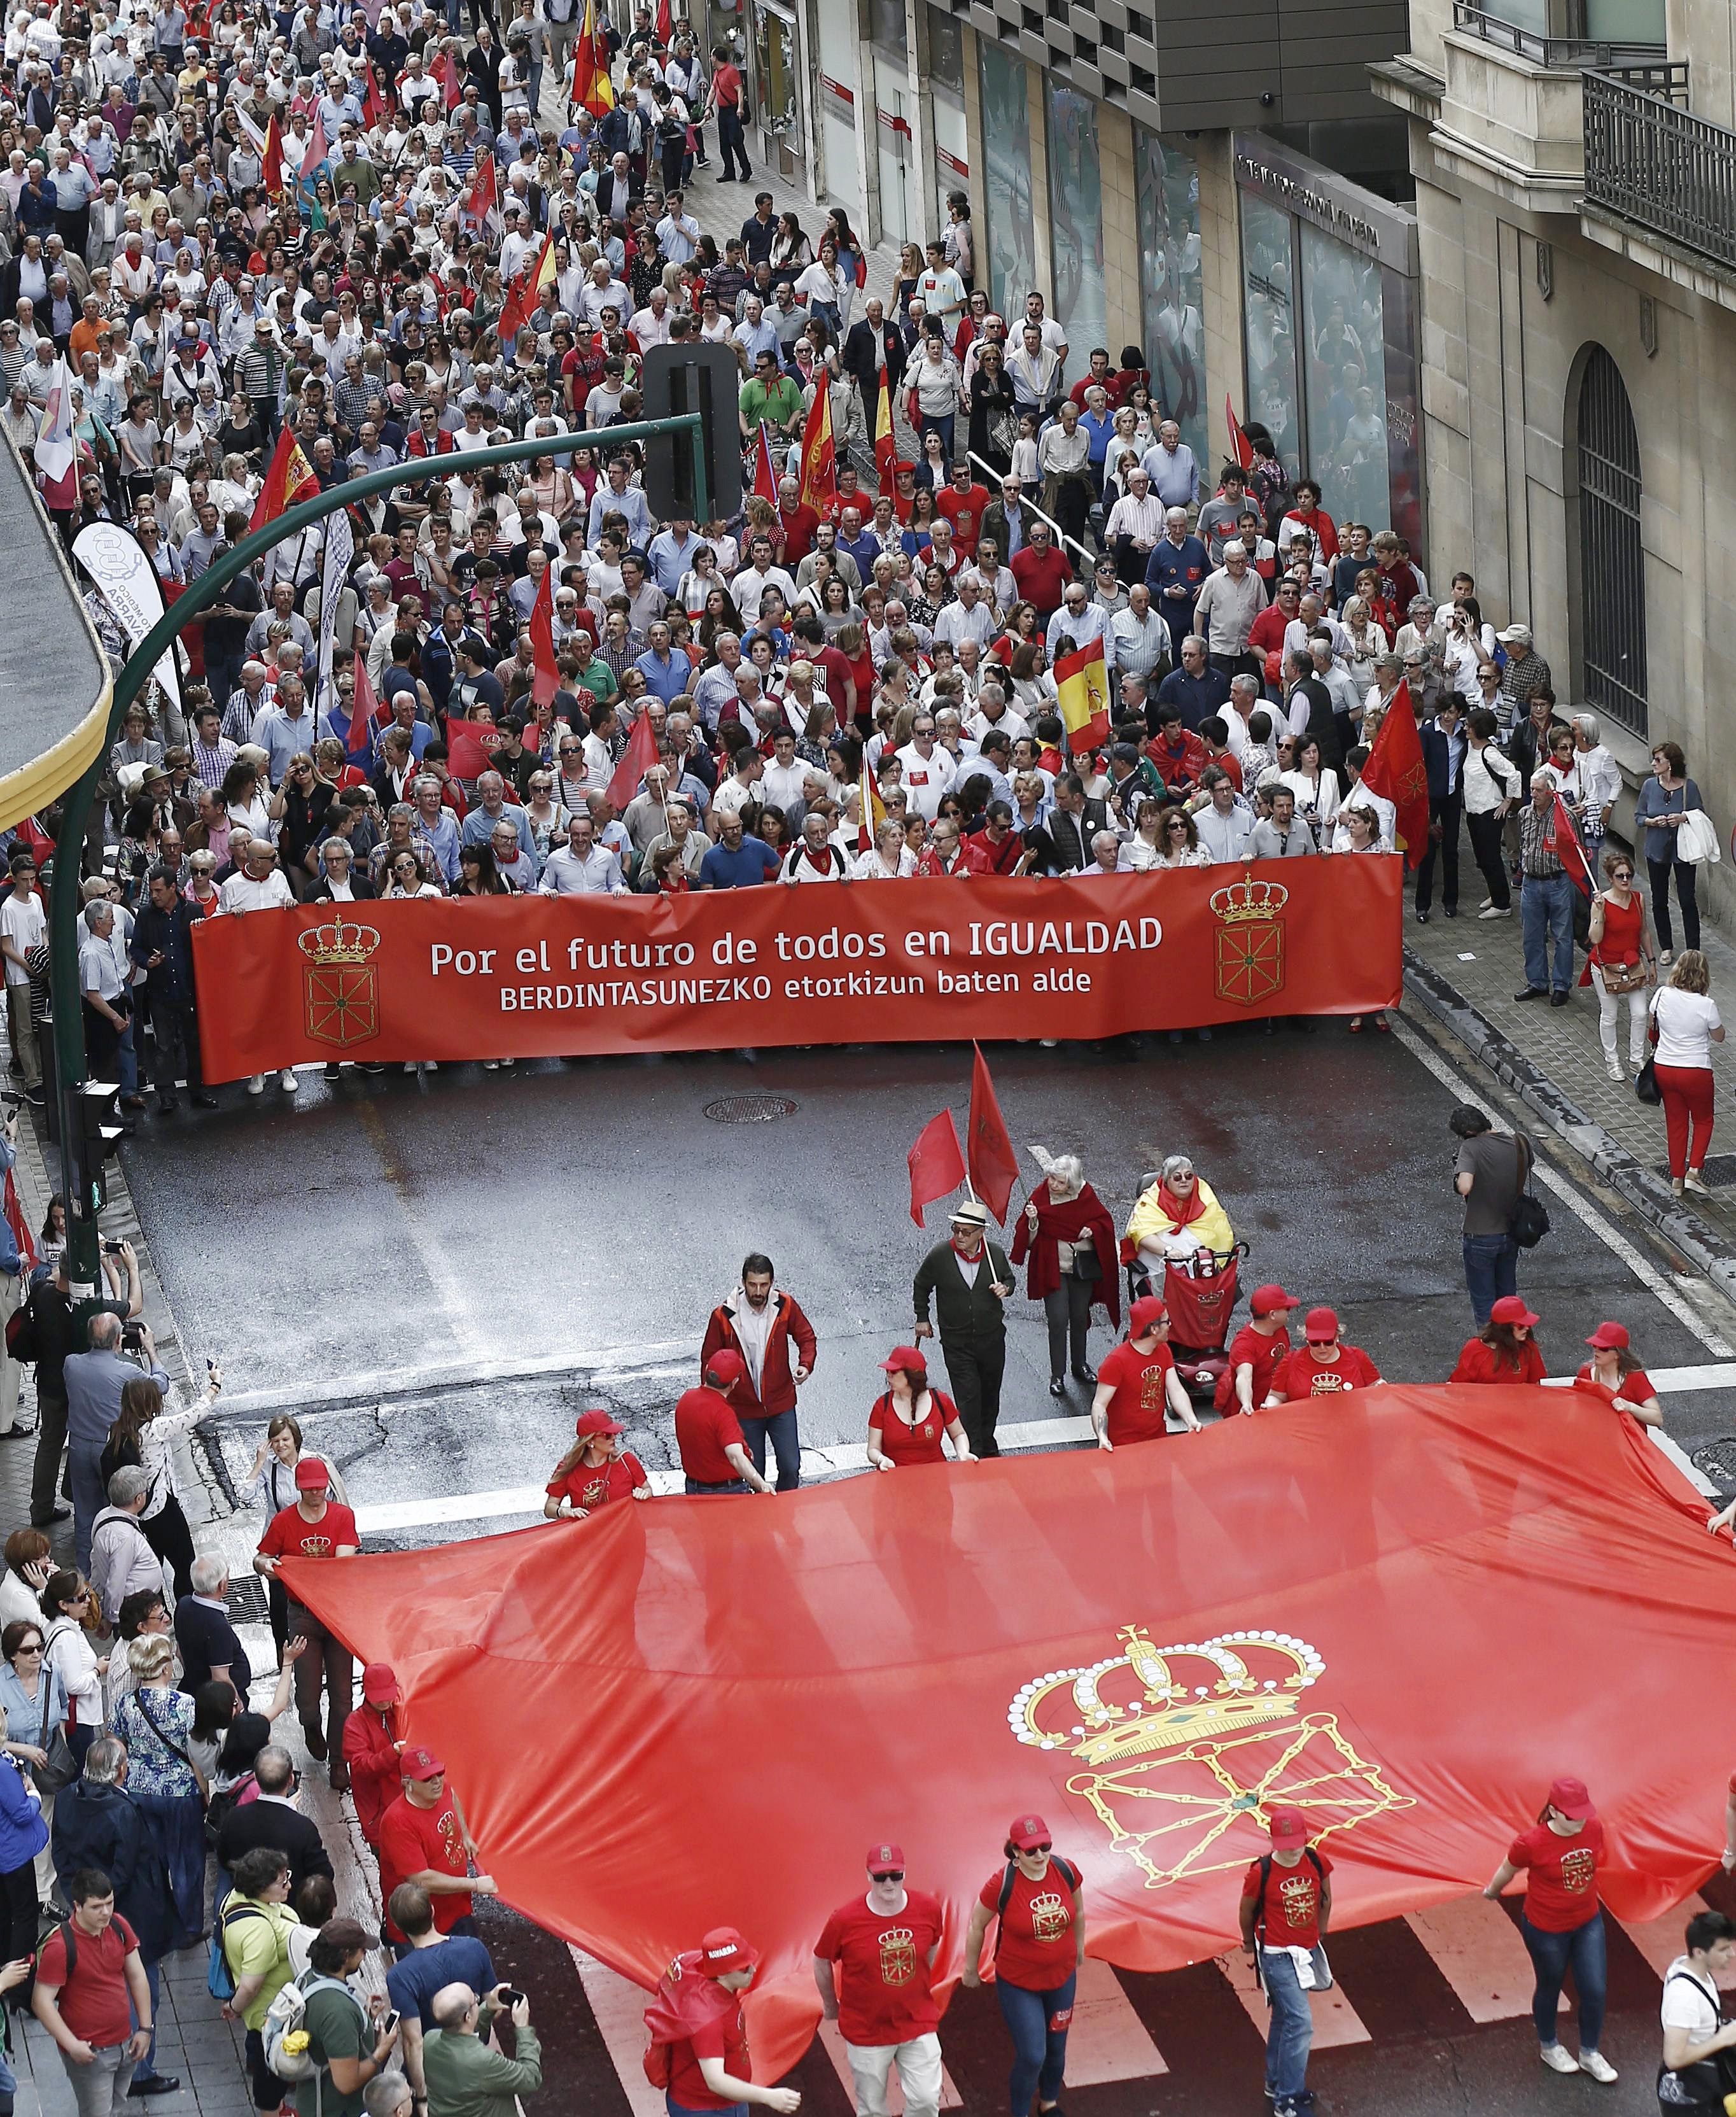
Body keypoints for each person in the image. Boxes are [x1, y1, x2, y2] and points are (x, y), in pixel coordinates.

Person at [1482, 1776, 1615, 2083]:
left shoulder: (1594, 1828)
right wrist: (1493, 1891)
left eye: (1584, 1813)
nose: (1580, 1821)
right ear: (1554, 1812)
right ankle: (1549, 2046)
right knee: (1550, 1985)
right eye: (1573, 1816)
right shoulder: (1530, 1842)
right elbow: (1507, 1868)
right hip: (1546, 1928)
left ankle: (1590, 2052)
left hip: (1587, 1921)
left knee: (1595, 1988)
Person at [960, 1816, 1084, 2117]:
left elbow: (1078, 1911)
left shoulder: (1065, 1870)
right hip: (1020, 1985)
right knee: (1032, 2055)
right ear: (1015, 1852)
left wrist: (1079, 1948)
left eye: (1045, 1846)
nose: (1040, 1855)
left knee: (1056, 2048)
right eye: (1030, 1851)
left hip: (1062, 1978)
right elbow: (977, 1924)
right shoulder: (1002, 1884)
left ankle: (1049, 2103)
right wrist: (971, 1969)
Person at [814, 1843, 946, 2117]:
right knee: (873, 2109)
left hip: (917, 2021)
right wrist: (830, 2004)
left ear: (905, 1873)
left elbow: (931, 1945)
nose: (889, 1883)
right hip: (867, 2031)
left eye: (895, 1876)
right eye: (880, 1876)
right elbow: (821, 1959)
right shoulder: (845, 1920)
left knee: (926, 2100)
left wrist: (919, 1984)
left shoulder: (928, 1908)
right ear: (868, 1875)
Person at [252, 1459, 359, 1787]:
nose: (316, 1493)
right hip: (302, 1617)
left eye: (320, 1486)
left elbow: (345, 1559)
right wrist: (266, 1566)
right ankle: (310, 1723)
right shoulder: (284, 1522)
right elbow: (259, 1557)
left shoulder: (342, 1517)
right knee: (308, 1694)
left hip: (337, 1615)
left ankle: (340, 1761)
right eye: (309, 1487)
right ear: (298, 1488)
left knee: (343, 1695)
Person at [31, 1866, 156, 2116]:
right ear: (77, 1906)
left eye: (109, 1903)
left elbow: (137, 1974)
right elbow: (41, 2002)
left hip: (126, 2042)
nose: (106, 1912)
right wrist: (72, 2045)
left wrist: (145, 2028)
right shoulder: (60, 1946)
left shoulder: (118, 1926)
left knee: (118, 2108)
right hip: (91, 2052)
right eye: (97, 1907)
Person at [643, 1925, 799, 2117]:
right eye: (744, 1969)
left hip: (719, 2103)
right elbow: (716, 2081)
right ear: (723, 1974)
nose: (753, 1970)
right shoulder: (708, 2020)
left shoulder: (698, 1966)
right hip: (708, 2110)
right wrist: (768, 2097)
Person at [1238, 1808, 1333, 2117]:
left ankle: (1276, 2082)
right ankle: (1287, 2098)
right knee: (1300, 2022)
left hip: (1305, 1949)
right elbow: (1246, 1910)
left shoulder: (1317, 1861)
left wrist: (1321, 1931)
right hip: (1277, 1955)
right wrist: (1247, 1942)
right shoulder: (1260, 1872)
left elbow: (1326, 1897)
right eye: (1285, 1844)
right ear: (1272, 1841)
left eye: (1296, 1843)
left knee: (1284, 2017)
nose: (1292, 1850)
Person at [699, 1255, 818, 1495]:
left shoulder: (785, 1306)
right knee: (755, 1472)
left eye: (764, 1285)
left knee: (790, 1466)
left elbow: (806, 1337)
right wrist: (716, 1404)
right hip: (743, 1410)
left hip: (781, 1404)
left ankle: (784, 1506)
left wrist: (805, 1365)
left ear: (772, 1282)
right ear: (743, 1282)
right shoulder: (723, 1316)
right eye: (752, 1285)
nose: (758, 1291)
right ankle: (761, 1518)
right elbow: (708, 1362)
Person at [64, 1311, 169, 1575]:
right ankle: (118, 1570)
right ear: (117, 1341)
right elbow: (161, 1385)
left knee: (85, 1514)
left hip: (78, 1448)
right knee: (120, 1512)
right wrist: (151, 1351)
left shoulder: (71, 1364)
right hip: (112, 1451)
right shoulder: (128, 1372)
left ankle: (86, 1574)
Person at [1009, 1150, 1119, 1397]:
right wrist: (1033, 1221)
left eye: (1061, 1182)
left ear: (1073, 1183)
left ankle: (1079, 1365)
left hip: (1081, 1268)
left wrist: (1092, 1230)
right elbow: (1028, 1238)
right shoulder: (1040, 1196)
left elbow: (1104, 1222)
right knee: (1058, 1320)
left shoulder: (1086, 1196)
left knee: (1080, 1318)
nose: (1055, 1186)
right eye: (1052, 1180)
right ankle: (1057, 1374)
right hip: (1053, 1267)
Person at [385, 1883, 503, 2109]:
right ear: (432, 1910)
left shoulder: (400, 1976)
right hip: (474, 2062)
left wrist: (422, 2098)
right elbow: (493, 2008)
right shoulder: (474, 1948)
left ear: (399, 1926)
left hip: (435, 2075)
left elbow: (414, 2042)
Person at [913, 1200, 1014, 1460]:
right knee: (968, 1396)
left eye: (966, 1232)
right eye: (956, 1230)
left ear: (981, 1233)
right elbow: (922, 1285)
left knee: (990, 1394)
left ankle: (987, 1440)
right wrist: (922, 1318)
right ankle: (974, 1449)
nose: (959, 1236)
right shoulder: (940, 1256)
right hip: (956, 1342)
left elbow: (1009, 1279)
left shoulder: (995, 1255)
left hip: (991, 1340)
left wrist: (1006, 1288)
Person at [377, 1748, 495, 1949]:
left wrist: (465, 1834)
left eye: (439, 1774)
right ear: (408, 1784)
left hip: (457, 1910)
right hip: (420, 1926)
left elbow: (452, 1796)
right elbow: (421, 1880)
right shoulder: (397, 1822)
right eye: (427, 1779)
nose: (437, 1782)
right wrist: (474, 1885)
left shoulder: (442, 1789)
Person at [218, 1845, 302, 2114]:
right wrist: (234, 2007)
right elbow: (251, 1985)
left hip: (271, 2013)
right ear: (260, 1888)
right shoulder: (258, 1931)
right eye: (282, 1881)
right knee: (271, 2076)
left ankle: (278, 2107)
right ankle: (272, 2110)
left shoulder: (238, 1899)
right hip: (271, 2017)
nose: (289, 1885)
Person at [290, 1917, 402, 2117]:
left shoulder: (309, 1976)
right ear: (345, 1956)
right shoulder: (338, 2011)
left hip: (312, 2098)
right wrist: (382, 2050)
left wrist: (365, 2017)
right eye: (361, 1949)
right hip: (336, 2109)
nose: (365, 1954)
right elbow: (347, 2082)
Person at [214, 1745, 335, 1898]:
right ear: (291, 1780)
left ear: (257, 1779)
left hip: (248, 1905)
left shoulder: (234, 1817)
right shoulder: (303, 1828)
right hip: (291, 1912)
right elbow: (323, 1875)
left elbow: (224, 1859)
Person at [1650, 952, 1723, 1199]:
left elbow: (1653, 1022)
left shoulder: (1661, 994)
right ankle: (1694, 1171)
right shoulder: (1707, 1005)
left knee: (1676, 1122)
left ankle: (1677, 1179)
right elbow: (1719, 1036)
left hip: (1665, 1068)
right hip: (1695, 1071)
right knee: (1703, 1120)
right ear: (1703, 975)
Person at [1450, 1104, 1530, 1326]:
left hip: (1481, 1236)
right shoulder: (1517, 1142)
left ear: (1466, 1134)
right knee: (1507, 1298)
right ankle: (1513, 1345)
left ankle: (1492, 1350)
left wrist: (1457, 1179)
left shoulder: (1471, 1148)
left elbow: (1465, 1187)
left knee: (1485, 1301)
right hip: (1512, 1232)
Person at [1585, 848, 1656, 1083]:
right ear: (1610, 878)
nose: (1626, 880)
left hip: (1633, 964)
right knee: (1610, 1015)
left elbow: (1644, 931)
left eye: (1629, 875)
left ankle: (1637, 1058)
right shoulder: (1601, 902)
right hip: (1606, 967)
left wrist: (1652, 961)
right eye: (1620, 876)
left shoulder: (1639, 899)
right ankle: (1612, 1060)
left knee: (1639, 1013)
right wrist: (1600, 913)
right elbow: (1595, 938)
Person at [1090, 1296, 1202, 1444]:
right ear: (1154, 1329)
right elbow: (1099, 1404)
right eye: (1167, 1321)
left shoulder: (1163, 1350)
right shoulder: (1116, 1362)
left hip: (1157, 1440)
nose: (1170, 1325)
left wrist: (1191, 1420)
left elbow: (1176, 1390)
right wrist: (1102, 1437)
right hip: (1125, 1446)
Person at [423, 1981, 542, 2117]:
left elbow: (462, 2035)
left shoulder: (429, 2040)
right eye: (475, 1999)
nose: (477, 2000)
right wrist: (523, 2029)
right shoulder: (483, 2061)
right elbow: (531, 2078)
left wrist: (488, 2008)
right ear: (468, 2016)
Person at [1657, 1908, 1736, 2111]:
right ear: (1700, 1952)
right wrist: (1723, 2039)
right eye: (1723, 1949)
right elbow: (1674, 2058)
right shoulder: (1685, 1997)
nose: (1732, 1954)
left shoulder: (1687, 1966)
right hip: (1695, 2091)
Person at [1634, 740, 1703, 962]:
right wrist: (1652, 822)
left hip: (1682, 850)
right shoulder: (1649, 786)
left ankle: (1693, 949)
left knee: (1687, 899)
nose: (1654, 764)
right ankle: (1666, 947)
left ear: (1670, 764)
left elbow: (1700, 816)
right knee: (1659, 899)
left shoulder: (1688, 787)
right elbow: (1639, 817)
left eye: (1658, 760)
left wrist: (1682, 818)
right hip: (1656, 849)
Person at [674, 1352, 775, 1496]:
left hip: (694, 1487)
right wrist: (759, 1483)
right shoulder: (723, 1413)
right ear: (734, 1382)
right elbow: (735, 1456)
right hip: (726, 1491)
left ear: (707, 1369)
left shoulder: (687, 1398)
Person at [865, 1349, 974, 1469]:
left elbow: (958, 1434)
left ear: (911, 1375)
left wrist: (963, 1453)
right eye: (887, 1371)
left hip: (936, 1477)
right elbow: (873, 1448)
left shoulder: (941, 1401)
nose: (888, 1375)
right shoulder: (882, 1406)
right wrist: (881, 1459)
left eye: (894, 1371)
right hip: (895, 1480)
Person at [1124, 1157, 1234, 1267]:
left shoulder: (1203, 1192)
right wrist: (1168, 1250)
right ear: (1166, 1180)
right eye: (1177, 1177)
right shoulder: (1151, 1199)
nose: (1184, 1180)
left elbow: (1220, 1228)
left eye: (1189, 1176)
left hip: (1202, 1264)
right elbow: (1140, 1233)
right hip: (1161, 1264)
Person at [543, 1411, 650, 1521]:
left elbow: (647, 1489)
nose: (613, 1438)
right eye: (607, 1435)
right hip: (589, 1535)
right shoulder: (568, 1466)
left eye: (614, 1433)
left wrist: (644, 1494)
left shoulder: (626, 1460)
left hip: (625, 1532)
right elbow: (549, 1508)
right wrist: (564, 1511)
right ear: (590, 1442)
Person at [341, 1666, 404, 1850]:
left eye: (388, 1694)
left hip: (412, 1809)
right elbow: (362, 1766)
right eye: (379, 1696)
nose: (385, 1700)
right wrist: (393, 1753)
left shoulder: (402, 1712)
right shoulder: (355, 1724)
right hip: (380, 1817)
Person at [1215, 1284, 1302, 1415]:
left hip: (1277, 1405)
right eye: (1287, 1308)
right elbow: (1244, 1376)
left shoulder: (1279, 1329)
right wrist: (1246, 1404)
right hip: (1255, 1412)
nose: (1289, 1311)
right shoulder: (1244, 1344)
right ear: (1273, 1315)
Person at [1267, 1309, 1382, 1400]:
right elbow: (1276, 1397)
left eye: (1328, 1342)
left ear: (1337, 1337)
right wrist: (1270, 1409)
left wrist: (1383, 1389)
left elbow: (1378, 1390)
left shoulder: (1357, 1357)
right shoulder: (1290, 1362)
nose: (1322, 1348)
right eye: (1315, 1343)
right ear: (1306, 1338)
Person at [1578, 1321, 1665, 1430]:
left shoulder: (1635, 1378)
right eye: (1595, 1345)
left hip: (1627, 1444)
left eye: (1604, 1348)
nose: (1596, 1350)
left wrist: (1629, 1407)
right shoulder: (1585, 1373)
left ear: (1618, 1354)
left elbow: (1657, 1418)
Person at [1449, 1295, 1547, 1385]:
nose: (1527, 1328)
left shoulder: (1529, 1347)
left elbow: (1538, 1385)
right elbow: (1457, 1389)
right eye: (1521, 1325)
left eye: (1528, 1324)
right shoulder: (1474, 1349)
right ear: (1504, 1329)